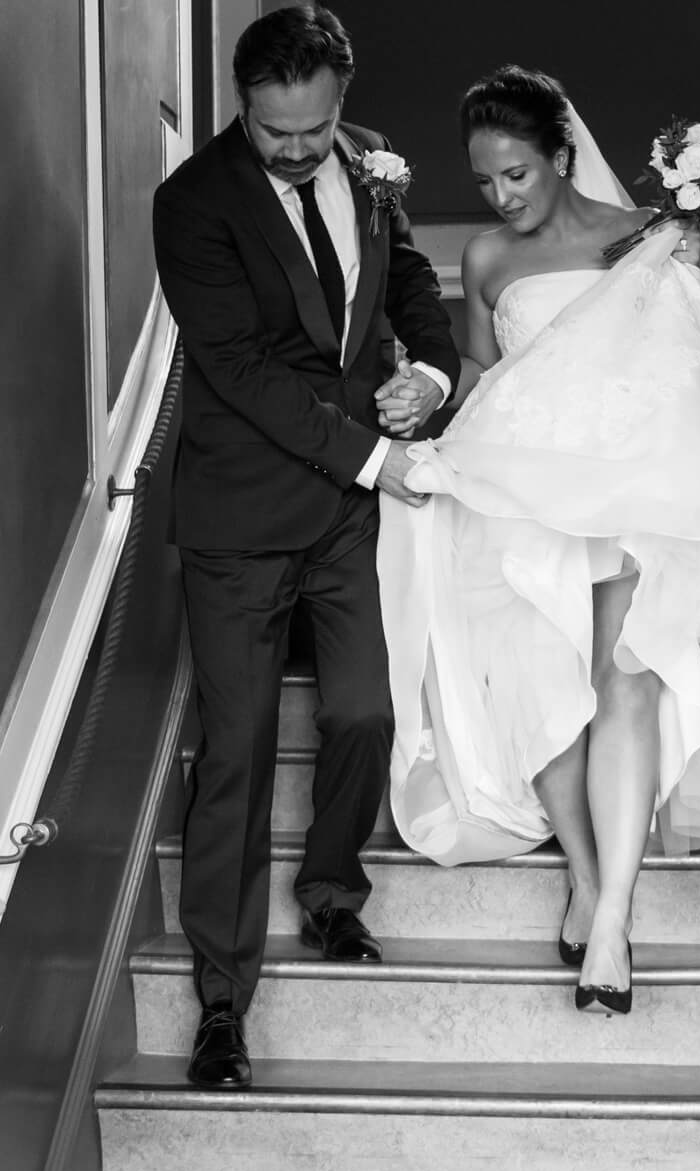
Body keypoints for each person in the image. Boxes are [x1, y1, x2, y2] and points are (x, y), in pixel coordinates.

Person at [374, 67, 700, 1015]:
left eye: (516, 173)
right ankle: (587, 877)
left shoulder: (646, 238)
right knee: (536, 676)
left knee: (625, 680)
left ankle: (613, 922)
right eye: (485, 181)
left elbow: (698, 364)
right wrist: (428, 414)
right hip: (524, 498)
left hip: (631, 494)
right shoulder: (482, 259)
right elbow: (483, 370)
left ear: (561, 157)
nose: (501, 197)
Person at [151, 4, 459, 1088]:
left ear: (339, 103)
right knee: (233, 755)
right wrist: (375, 458)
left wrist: (429, 371)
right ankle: (222, 1002)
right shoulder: (190, 203)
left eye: (310, 132)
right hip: (240, 517)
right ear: (244, 103)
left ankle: (330, 893)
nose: (291, 152)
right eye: (271, 131)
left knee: (365, 711)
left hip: (342, 515)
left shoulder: (374, 162)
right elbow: (237, 369)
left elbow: (411, 284)